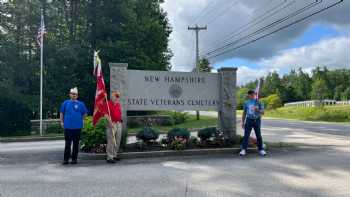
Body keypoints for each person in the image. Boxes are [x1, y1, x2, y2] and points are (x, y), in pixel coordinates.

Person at [60, 87, 88, 165]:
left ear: (77, 95)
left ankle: (74, 159)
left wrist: (80, 119)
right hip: (68, 127)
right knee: (67, 144)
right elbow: (62, 113)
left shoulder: (81, 104)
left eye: (75, 94)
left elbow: (85, 113)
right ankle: (66, 159)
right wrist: (61, 122)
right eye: (72, 94)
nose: (73, 95)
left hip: (77, 127)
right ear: (70, 94)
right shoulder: (65, 103)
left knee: (76, 144)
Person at [239, 90, 267, 157]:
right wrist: (243, 122)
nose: (252, 95)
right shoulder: (246, 103)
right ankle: (243, 149)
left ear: (255, 94)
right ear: (248, 95)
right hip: (249, 120)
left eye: (253, 94)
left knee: (258, 135)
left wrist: (258, 110)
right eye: (250, 94)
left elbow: (263, 112)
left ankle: (261, 149)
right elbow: (244, 113)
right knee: (246, 135)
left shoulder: (259, 102)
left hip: (257, 120)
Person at [105, 91, 123, 163]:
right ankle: (109, 157)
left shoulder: (118, 104)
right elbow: (106, 115)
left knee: (117, 140)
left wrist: (120, 120)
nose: (116, 98)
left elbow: (119, 113)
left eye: (118, 96)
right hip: (112, 124)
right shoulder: (108, 104)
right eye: (115, 96)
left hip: (118, 123)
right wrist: (110, 123)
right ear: (112, 96)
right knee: (111, 141)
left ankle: (115, 155)